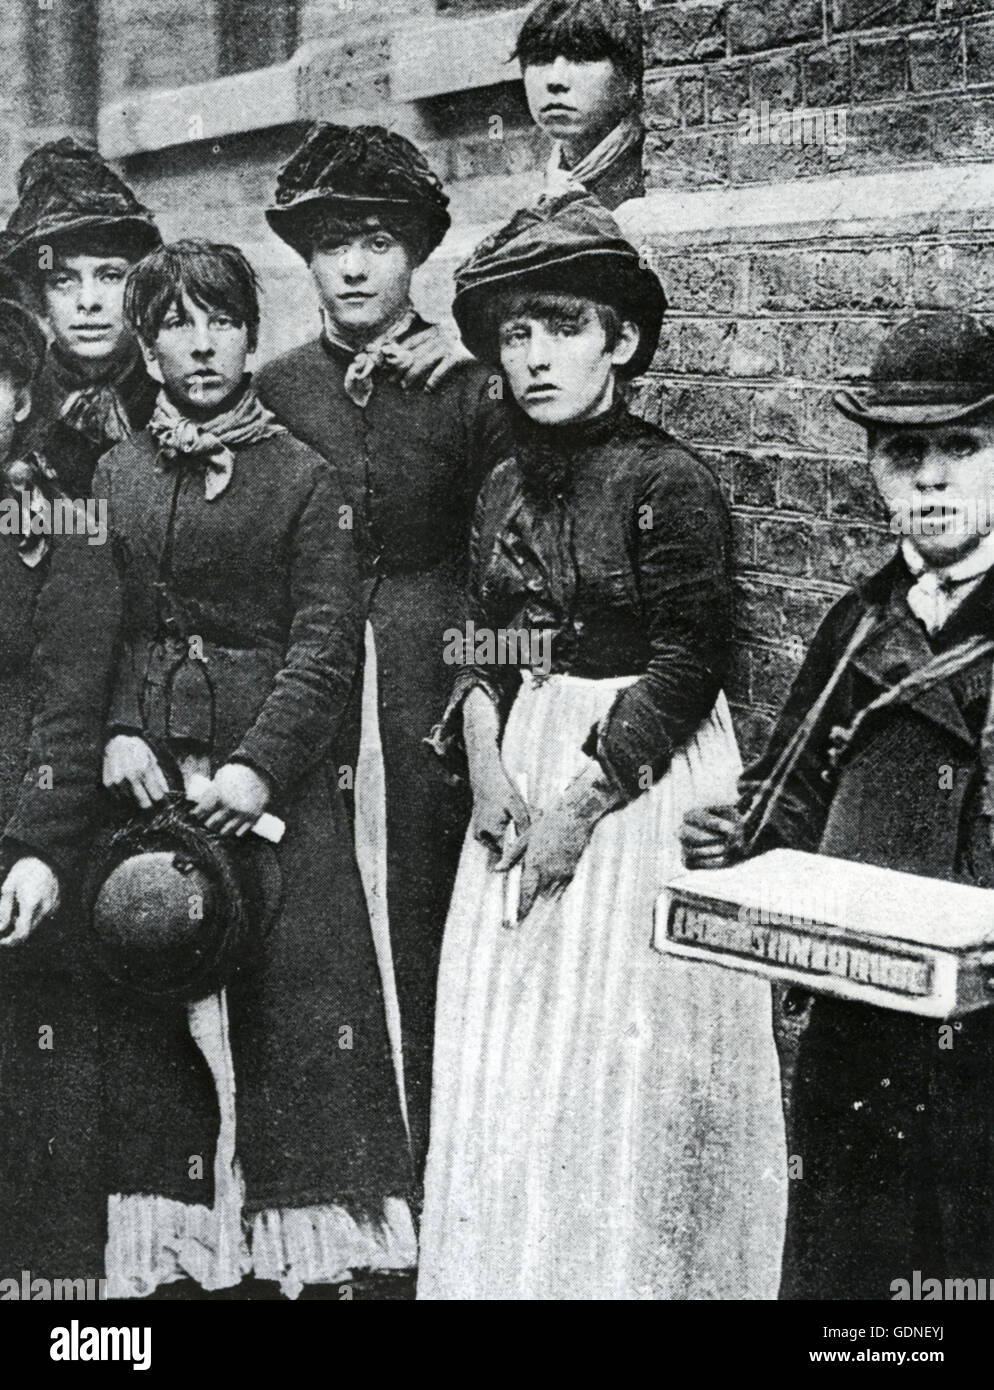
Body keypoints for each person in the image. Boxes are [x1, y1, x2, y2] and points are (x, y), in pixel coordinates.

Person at [417, 194, 787, 1301]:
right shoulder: (499, 482)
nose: (535, 356)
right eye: (516, 334)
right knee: (514, 1063)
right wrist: (485, 757)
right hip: (527, 755)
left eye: (563, 326)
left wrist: (579, 809)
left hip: (640, 782)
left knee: (616, 1060)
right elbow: (487, 634)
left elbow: (688, 662)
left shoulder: (665, 481)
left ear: (619, 341)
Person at [91, 240, 414, 1299]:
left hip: (267, 802)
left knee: (291, 1015)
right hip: (150, 795)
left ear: (248, 330)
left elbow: (326, 645)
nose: (200, 342)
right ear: (146, 344)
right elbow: (96, 627)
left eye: (219, 319)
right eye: (175, 323)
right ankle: (186, 1251)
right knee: (157, 1020)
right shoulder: (117, 472)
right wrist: (119, 732)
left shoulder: (302, 477)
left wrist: (260, 769)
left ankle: (305, 1252)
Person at [681, 311, 994, 1301]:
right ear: (871, 469)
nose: (931, 480)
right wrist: (738, 847)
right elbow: (790, 796)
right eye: (904, 454)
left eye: (961, 448)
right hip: (864, 1035)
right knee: (855, 1271)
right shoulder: (854, 625)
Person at [258, 123, 512, 1176]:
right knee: (317, 926)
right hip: (315, 679)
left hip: (431, 680)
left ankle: (447, 1177)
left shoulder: (474, 388)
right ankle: (347, 1192)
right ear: (307, 258)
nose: (354, 266)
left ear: (417, 255)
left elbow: (512, 566)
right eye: (331, 244)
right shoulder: (275, 389)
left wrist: (474, 690)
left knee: (431, 912)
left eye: (377, 241)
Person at [0, 296, 122, 1285]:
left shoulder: (60, 516)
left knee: (37, 1075)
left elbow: (72, 695)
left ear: (13, 398)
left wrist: (39, 844)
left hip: (18, 832)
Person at [1, 139, 162, 498]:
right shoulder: (11, 417)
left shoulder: (179, 410)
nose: (88, 302)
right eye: (63, 281)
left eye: (110, 276)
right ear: (37, 297)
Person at [515, 0, 646, 210]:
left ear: (630, 79)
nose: (555, 80)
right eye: (541, 60)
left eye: (581, 58)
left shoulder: (651, 173)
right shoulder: (554, 175)